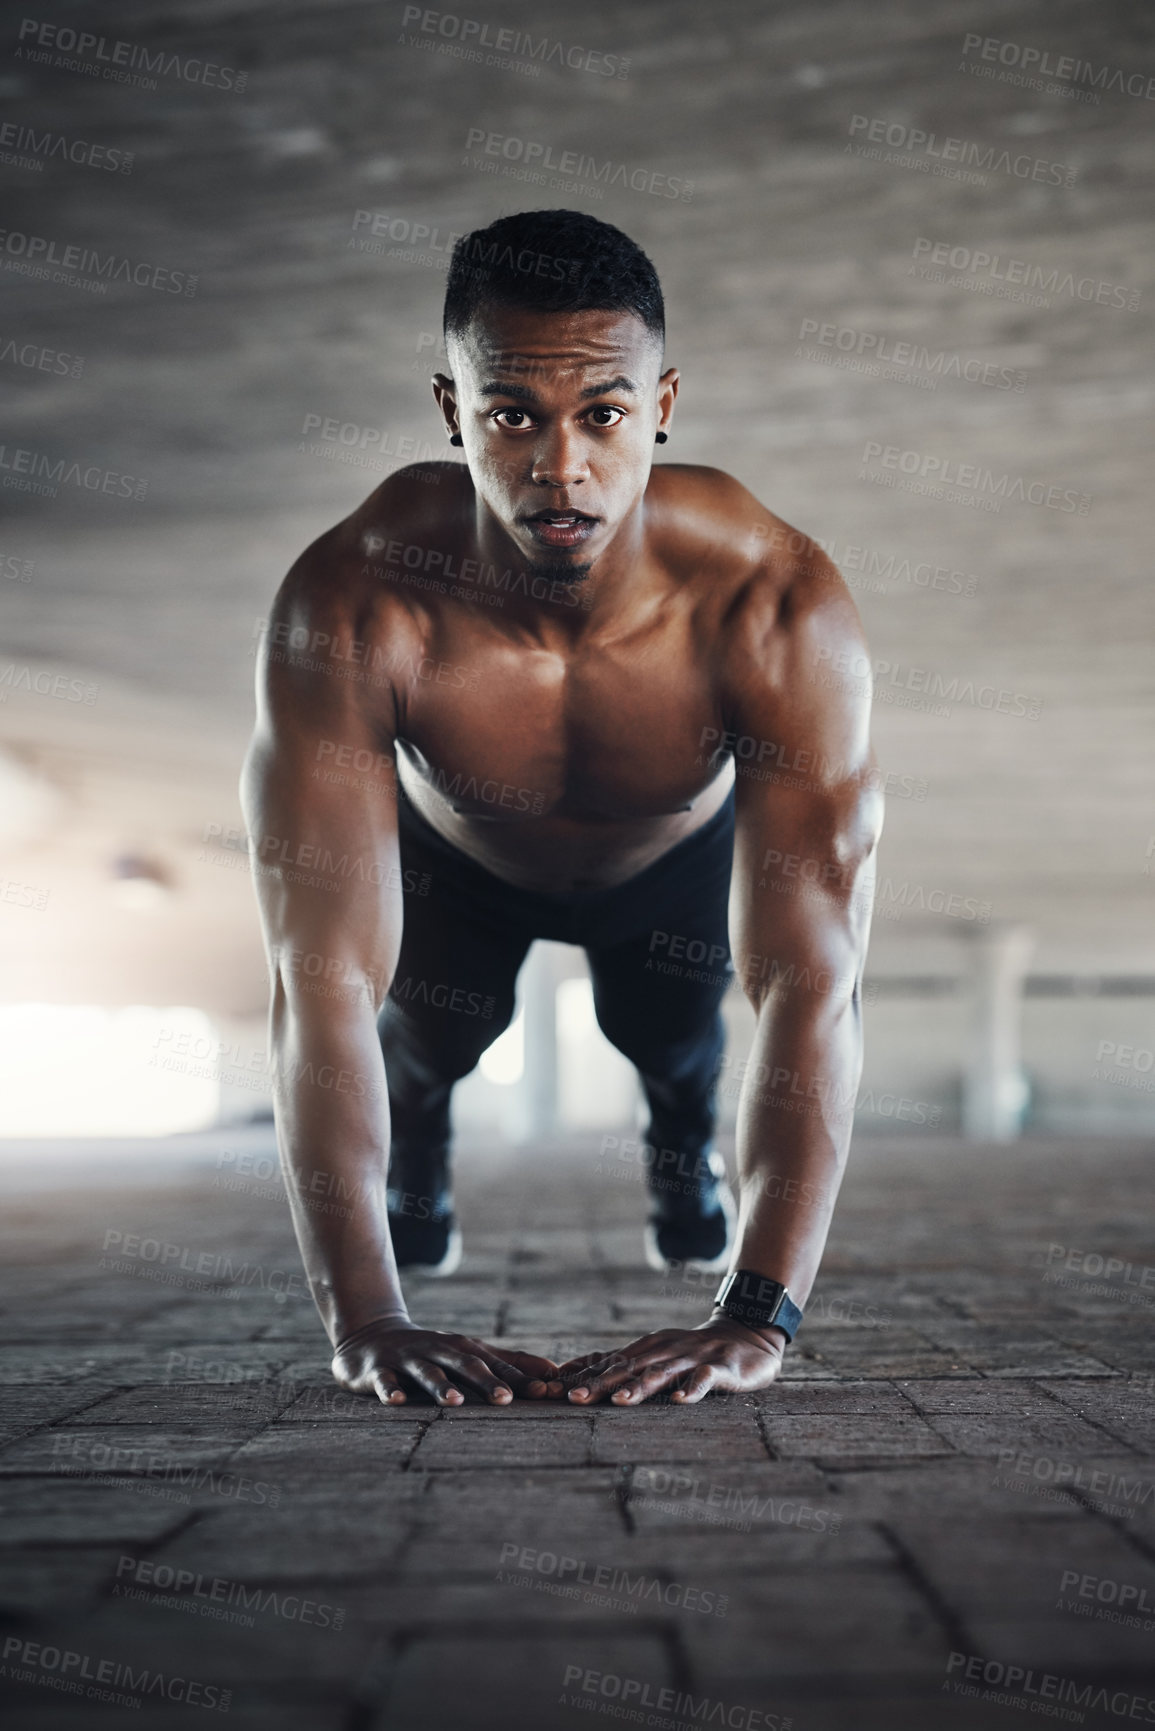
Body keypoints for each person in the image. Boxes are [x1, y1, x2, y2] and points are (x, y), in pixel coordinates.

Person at [241, 208, 882, 1411]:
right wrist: (368, 1320)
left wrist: (760, 1320)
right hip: (458, 864)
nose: (561, 468)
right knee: (419, 1054)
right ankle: (419, 1156)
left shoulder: (774, 604)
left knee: (682, 1056)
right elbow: (315, 980)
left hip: (673, 865)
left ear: (663, 403)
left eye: (603, 414)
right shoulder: (356, 601)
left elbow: (815, 982)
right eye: (511, 417)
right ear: (452, 414)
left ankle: (677, 1155)